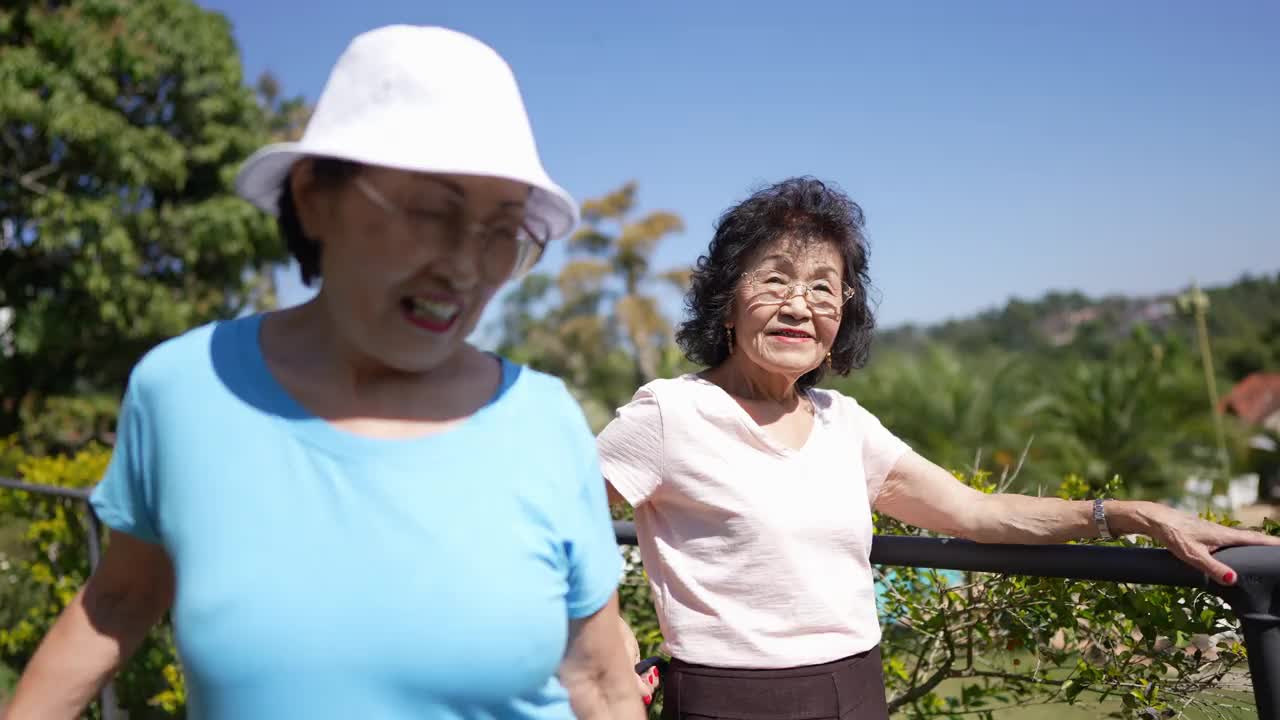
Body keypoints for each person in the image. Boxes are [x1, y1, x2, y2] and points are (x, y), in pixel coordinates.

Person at [7, 25, 644, 720]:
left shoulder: (542, 420)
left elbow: (601, 682)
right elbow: (119, 601)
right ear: (314, 197)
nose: (466, 266)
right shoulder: (184, 390)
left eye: (503, 230)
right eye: (432, 211)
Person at [598, 177, 1280, 720]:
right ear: (726, 300)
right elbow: (549, 525)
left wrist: (1136, 514)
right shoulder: (672, 413)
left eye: (822, 287)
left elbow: (976, 513)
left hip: (857, 687)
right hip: (732, 700)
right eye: (774, 279)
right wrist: (613, 648)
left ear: (843, 313)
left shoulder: (844, 423)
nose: (799, 304)